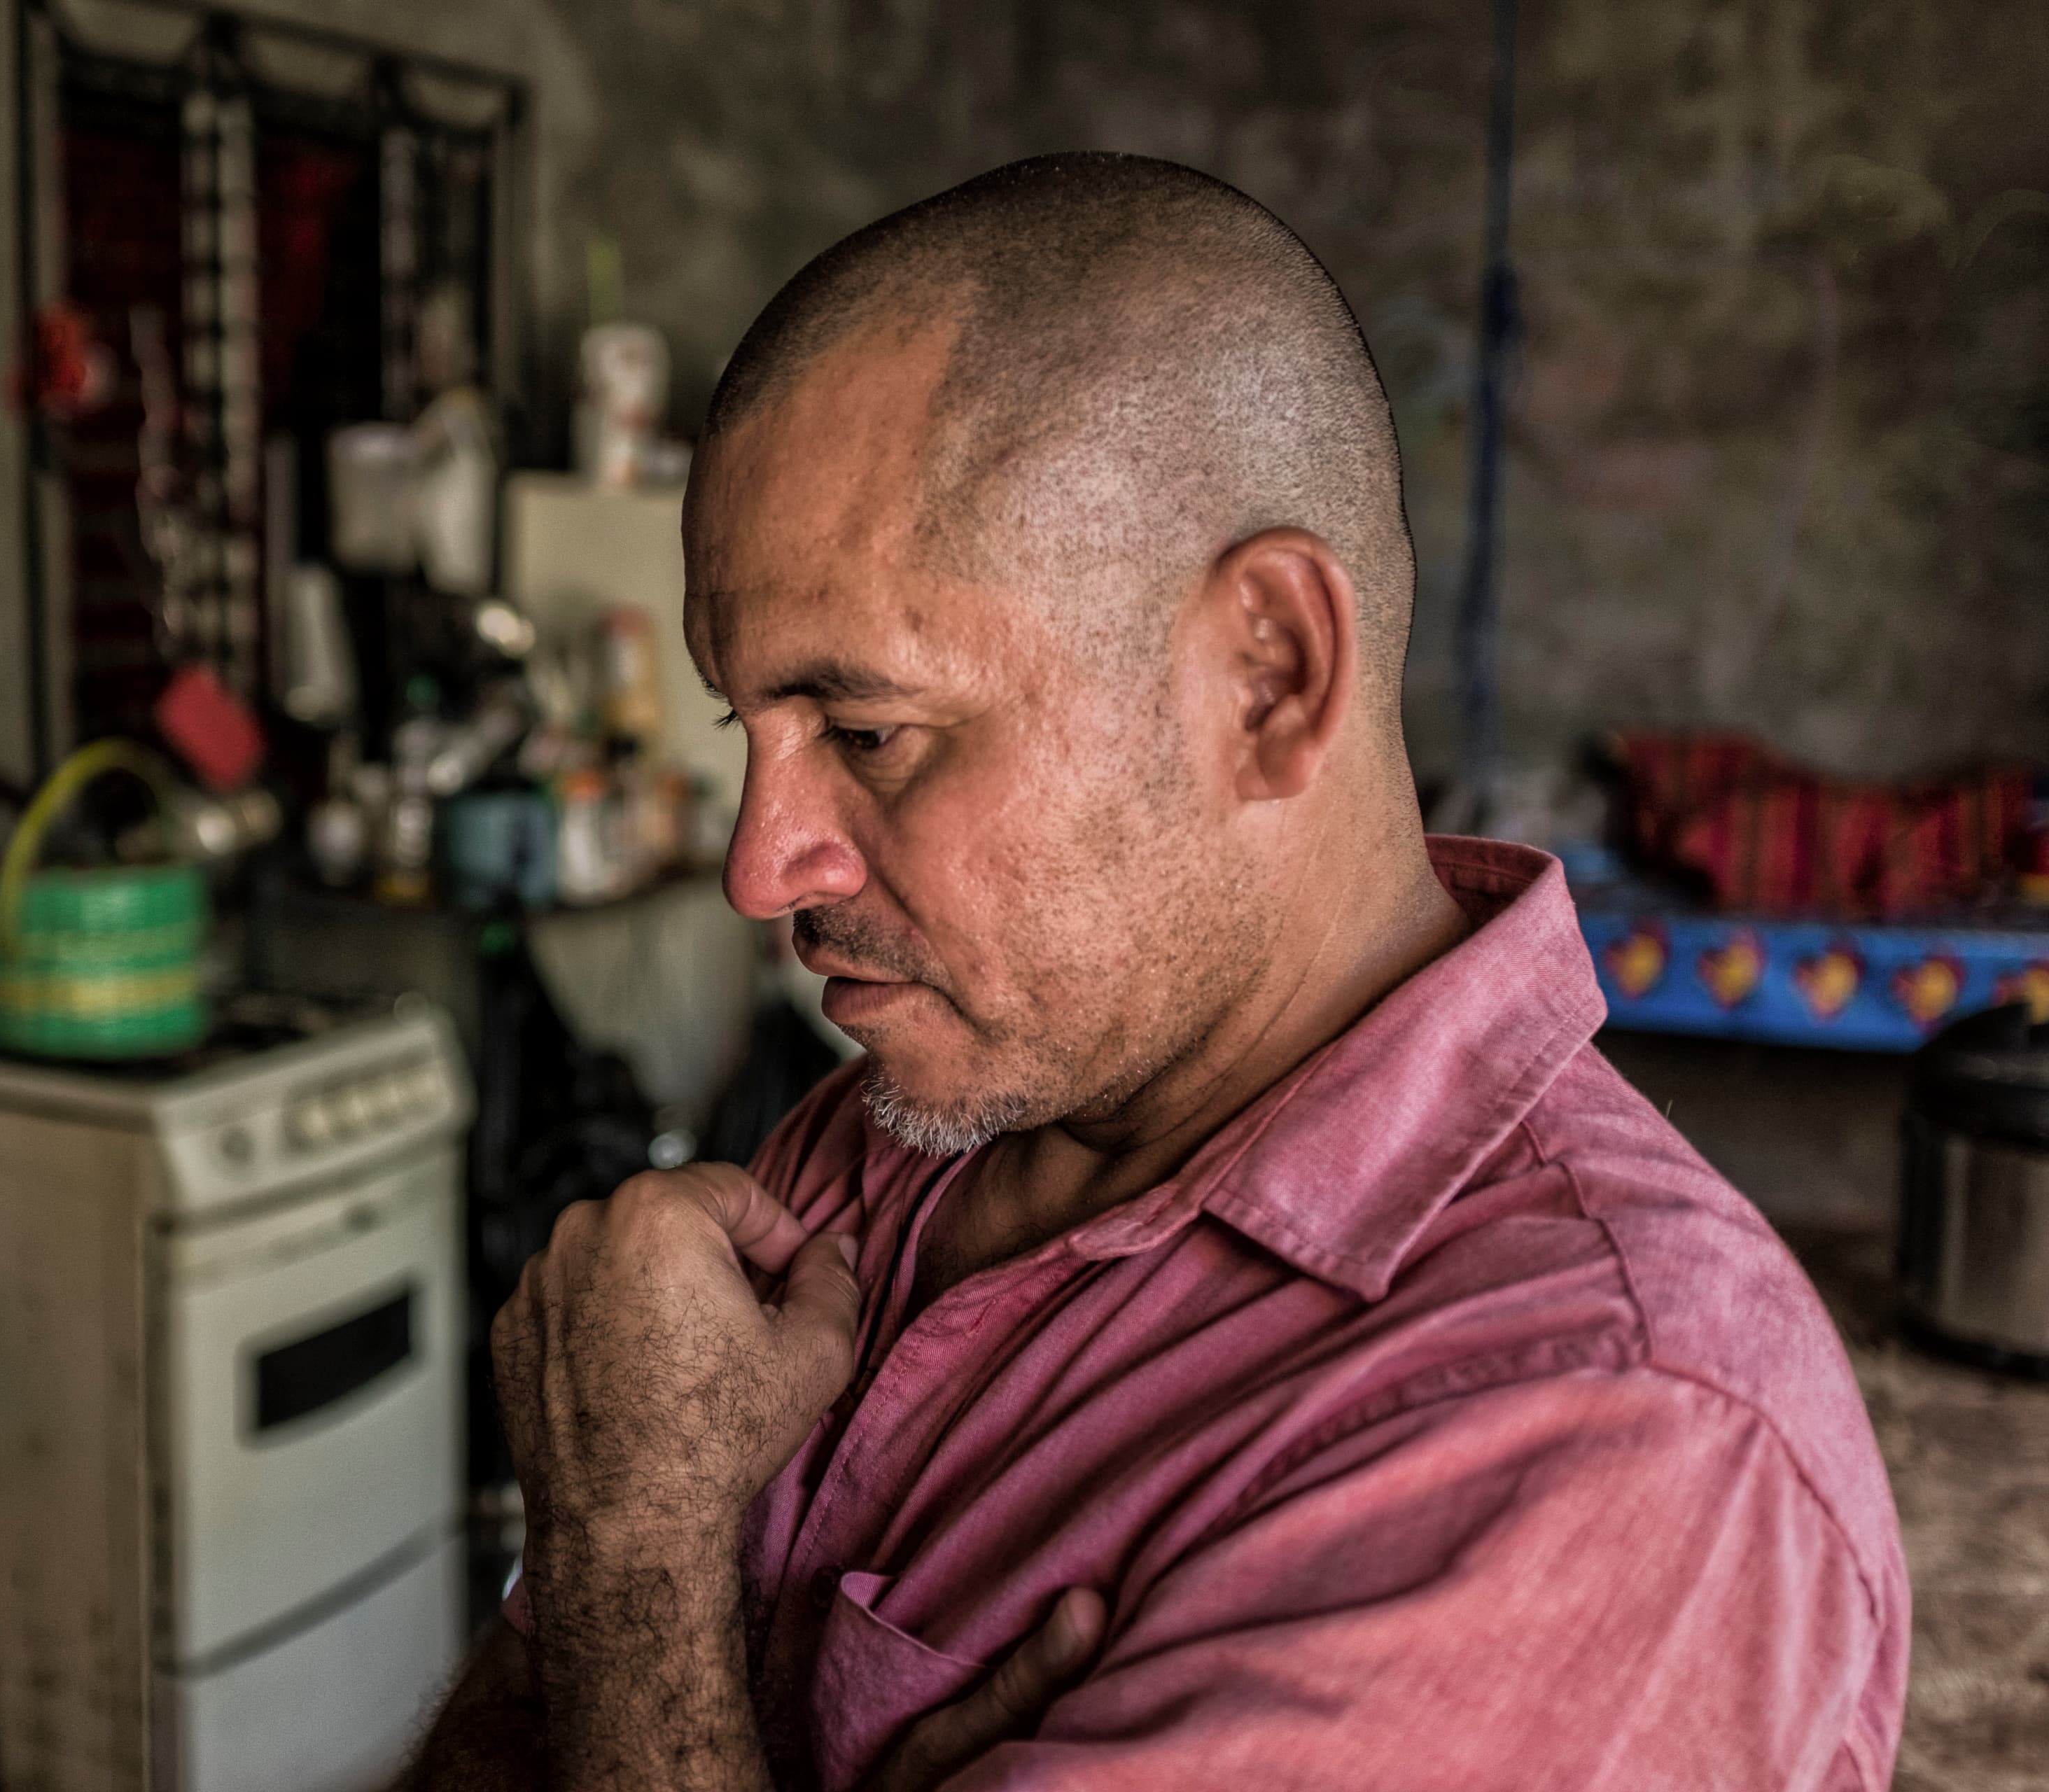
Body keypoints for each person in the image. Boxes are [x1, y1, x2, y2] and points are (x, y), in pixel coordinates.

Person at [405, 153, 1908, 1791]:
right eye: (745, 730)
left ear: (1266, 675)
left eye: (867, 733)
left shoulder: (1610, 1433)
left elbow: (603, 1656)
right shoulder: (887, 1145)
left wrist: (631, 1555)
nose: (760, 866)